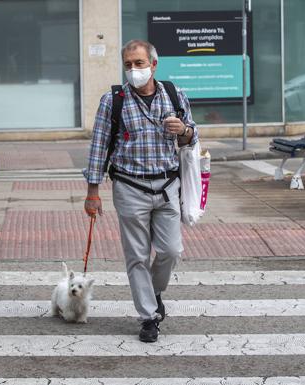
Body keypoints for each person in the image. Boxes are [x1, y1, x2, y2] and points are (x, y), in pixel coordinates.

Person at [83, 39, 198, 342]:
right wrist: (92, 191)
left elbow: (192, 137)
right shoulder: (114, 100)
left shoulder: (174, 95)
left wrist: (184, 131)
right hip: (129, 186)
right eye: (128, 65)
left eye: (139, 63)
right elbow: (98, 147)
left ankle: (154, 291)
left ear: (153, 64)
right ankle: (149, 316)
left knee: (171, 250)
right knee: (136, 256)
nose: (134, 70)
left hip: (167, 186)